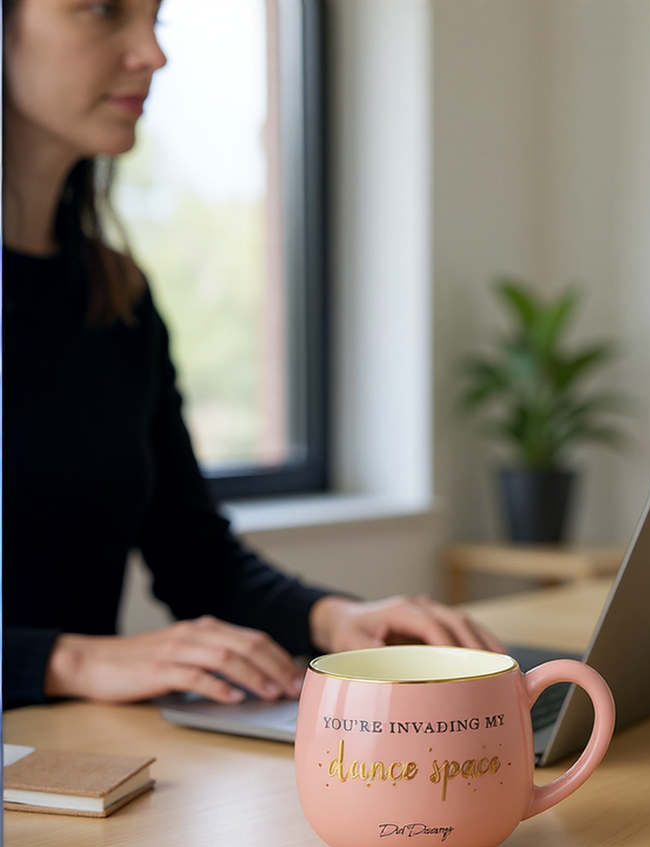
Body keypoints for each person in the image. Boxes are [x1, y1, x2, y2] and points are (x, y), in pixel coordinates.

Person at [2, 0, 501, 712]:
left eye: (156, 18)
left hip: (81, 769)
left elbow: (193, 554)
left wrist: (335, 620)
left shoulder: (115, 296)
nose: (152, 52)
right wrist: (67, 657)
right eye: (103, 11)